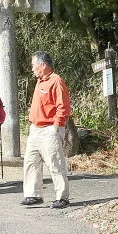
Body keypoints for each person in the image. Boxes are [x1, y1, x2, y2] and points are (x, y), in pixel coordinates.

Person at [20, 51, 71, 209]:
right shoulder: (40, 81)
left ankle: (62, 197)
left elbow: (63, 107)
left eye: (34, 65)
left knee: (55, 163)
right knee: (31, 162)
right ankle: (33, 195)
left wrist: (57, 126)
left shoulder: (56, 81)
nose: (32, 69)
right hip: (35, 129)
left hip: (49, 129)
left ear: (43, 65)